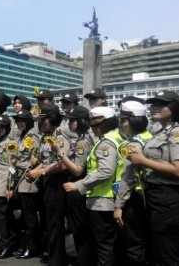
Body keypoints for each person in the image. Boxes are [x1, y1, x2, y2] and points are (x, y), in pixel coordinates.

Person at [63, 106, 124, 265]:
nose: (93, 129)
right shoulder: (117, 138)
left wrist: (79, 185)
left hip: (102, 200)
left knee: (103, 247)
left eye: (96, 125)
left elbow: (105, 171)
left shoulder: (106, 143)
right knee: (108, 246)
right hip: (109, 197)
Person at [128, 90, 179, 265]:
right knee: (157, 246)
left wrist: (142, 160)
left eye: (161, 104)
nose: (154, 107)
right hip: (155, 195)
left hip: (168, 195)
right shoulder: (161, 130)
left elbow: (177, 170)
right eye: (153, 104)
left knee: (167, 251)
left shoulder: (175, 132)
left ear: (174, 106)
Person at [25, 104, 70, 265]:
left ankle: (57, 258)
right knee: (49, 221)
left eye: (42, 120)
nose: (40, 124)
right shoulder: (47, 136)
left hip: (57, 183)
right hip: (48, 182)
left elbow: (62, 164)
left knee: (55, 222)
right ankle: (53, 253)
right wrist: (36, 169)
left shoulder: (60, 137)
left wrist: (41, 172)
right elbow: (46, 161)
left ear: (50, 120)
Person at [51, 106, 95, 265]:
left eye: (72, 120)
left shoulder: (83, 140)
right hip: (83, 187)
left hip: (79, 187)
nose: (69, 123)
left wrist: (60, 153)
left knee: (79, 228)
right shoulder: (83, 137)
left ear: (81, 121)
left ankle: (83, 260)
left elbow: (77, 170)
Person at [114, 100, 151, 265]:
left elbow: (128, 177)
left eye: (124, 120)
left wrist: (118, 206)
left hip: (136, 197)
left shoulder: (133, 143)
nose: (121, 124)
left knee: (134, 245)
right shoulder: (151, 137)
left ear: (134, 121)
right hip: (152, 195)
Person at [10, 109, 42, 259]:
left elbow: (37, 158)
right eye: (17, 120)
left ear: (29, 121)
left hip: (28, 180)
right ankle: (26, 245)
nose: (19, 123)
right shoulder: (21, 136)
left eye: (22, 120)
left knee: (29, 218)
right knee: (25, 216)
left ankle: (32, 247)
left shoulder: (32, 136)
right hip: (20, 179)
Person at [0, 115, 16, 259]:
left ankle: (5, 245)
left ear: (7, 127)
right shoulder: (0, 141)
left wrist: (9, 186)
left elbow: (12, 166)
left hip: (4, 184)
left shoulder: (10, 143)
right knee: (6, 216)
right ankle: (9, 243)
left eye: (2, 126)